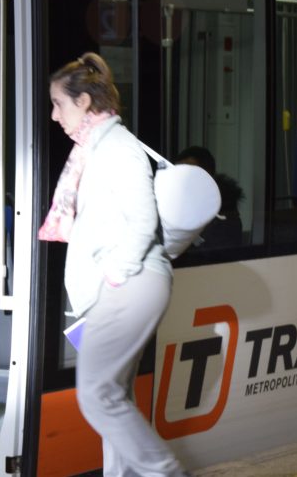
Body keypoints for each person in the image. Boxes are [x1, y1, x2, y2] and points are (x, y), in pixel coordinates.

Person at [40, 52, 186, 476]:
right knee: (114, 396)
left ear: (84, 101)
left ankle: (165, 472)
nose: (54, 115)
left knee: (96, 393)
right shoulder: (94, 149)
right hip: (119, 289)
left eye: (59, 104)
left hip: (128, 285)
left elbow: (143, 220)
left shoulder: (118, 148)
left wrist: (113, 278)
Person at [174, 146, 244, 249]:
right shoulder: (179, 206)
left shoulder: (223, 213)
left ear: (208, 177)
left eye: (189, 174)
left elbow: (214, 254)